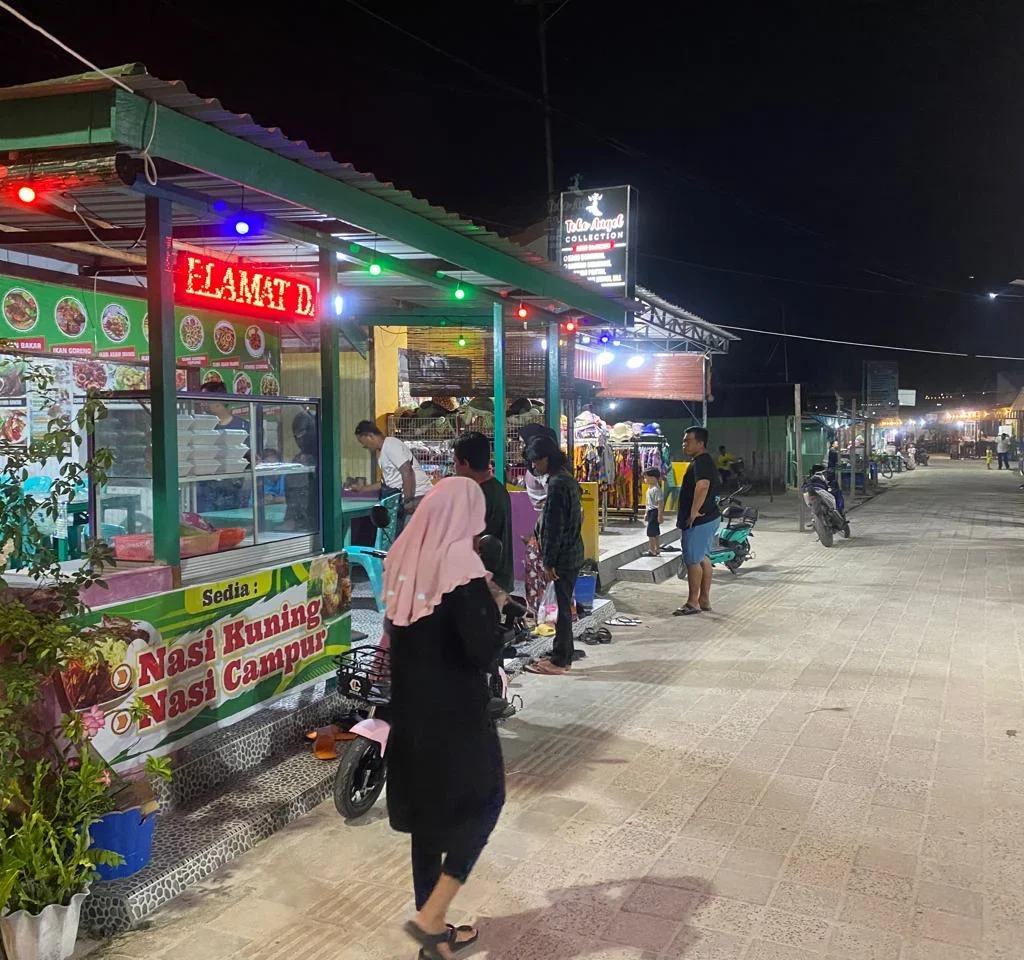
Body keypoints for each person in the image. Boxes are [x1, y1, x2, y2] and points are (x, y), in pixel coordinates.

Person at [382, 478, 505, 960]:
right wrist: (493, 607)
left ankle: (433, 939)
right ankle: (433, 913)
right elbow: (484, 651)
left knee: (429, 822)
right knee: (488, 799)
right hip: (456, 715)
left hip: (410, 714)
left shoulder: (402, 560)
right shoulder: (460, 566)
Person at [524, 435, 583, 677]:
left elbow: (553, 527)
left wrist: (549, 561)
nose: (534, 467)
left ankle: (560, 661)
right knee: (562, 606)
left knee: (561, 609)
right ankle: (562, 652)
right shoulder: (566, 478)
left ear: (546, 459)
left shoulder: (558, 484)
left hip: (563, 558)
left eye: (536, 462)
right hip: (572, 552)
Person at [453, 431, 513, 594]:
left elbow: (474, 540)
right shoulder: (497, 489)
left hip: (485, 581)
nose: (454, 468)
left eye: (455, 462)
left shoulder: (478, 494)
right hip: (497, 578)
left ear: (465, 463)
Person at [674, 426, 721, 617]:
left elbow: (703, 486)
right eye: (684, 440)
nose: (684, 443)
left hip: (699, 520)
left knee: (693, 560)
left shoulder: (701, 462)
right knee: (703, 558)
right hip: (709, 517)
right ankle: (704, 600)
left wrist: (694, 511)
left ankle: (693, 602)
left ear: (700, 443)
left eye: (688, 440)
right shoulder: (703, 461)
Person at [353, 420, 432, 527]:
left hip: (418, 497)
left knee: (410, 538)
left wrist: (408, 500)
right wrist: (363, 489)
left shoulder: (390, 444)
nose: (365, 447)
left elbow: (407, 470)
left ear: (369, 436)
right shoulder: (383, 452)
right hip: (410, 500)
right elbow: (386, 483)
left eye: (363, 443)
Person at [643, 467, 663, 557]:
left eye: (646, 477)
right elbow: (648, 503)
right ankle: (657, 549)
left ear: (653, 478)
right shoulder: (649, 489)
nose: (645, 479)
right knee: (655, 531)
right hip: (651, 511)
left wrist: (660, 515)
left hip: (654, 512)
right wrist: (646, 513)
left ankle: (652, 550)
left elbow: (660, 503)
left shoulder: (656, 489)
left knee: (651, 532)